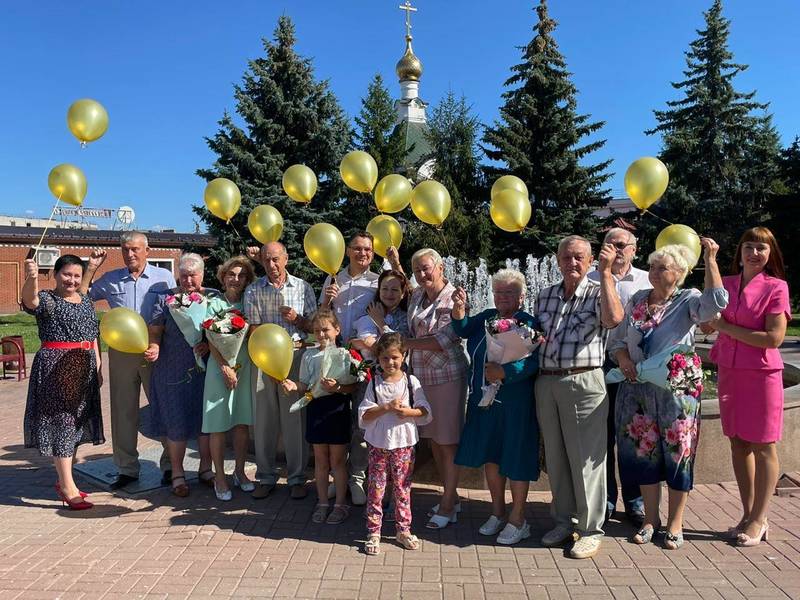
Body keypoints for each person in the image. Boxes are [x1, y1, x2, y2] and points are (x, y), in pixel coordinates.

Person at [609, 240, 726, 550]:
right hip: (637, 391)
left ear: (680, 273)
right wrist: (623, 360)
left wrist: (712, 259)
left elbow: (715, 304)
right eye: (653, 266)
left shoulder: (689, 299)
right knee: (643, 452)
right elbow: (617, 341)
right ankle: (651, 519)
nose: (654, 272)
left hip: (677, 393)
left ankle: (675, 521)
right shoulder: (637, 298)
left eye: (662, 267)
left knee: (679, 454)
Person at [534, 235, 623, 559]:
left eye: (579, 258)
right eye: (567, 257)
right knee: (556, 459)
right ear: (558, 260)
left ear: (589, 263)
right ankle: (564, 520)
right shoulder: (543, 297)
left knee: (586, 460)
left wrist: (607, 273)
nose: (572, 263)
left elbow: (614, 319)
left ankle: (590, 530)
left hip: (583, 381)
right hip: (547, 383)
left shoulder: (601, 291)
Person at [708, 227, 790, 546]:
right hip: (730, 371)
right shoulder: (726, 284)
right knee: (738, 443)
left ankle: (760, 517)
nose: (754, 253)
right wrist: (710, 259)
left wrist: (725, 327)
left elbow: (773, 338)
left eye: (761, 248)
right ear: (740, 252)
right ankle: (747, 514)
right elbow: (708, 312)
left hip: (762, 374)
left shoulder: (776, 287)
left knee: (764, 445)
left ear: (770, 254)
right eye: (749, 247)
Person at [451, 269, 541, 545]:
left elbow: (535, 360)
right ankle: (497, 511)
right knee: (491, 455)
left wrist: (506, 371)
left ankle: (518, 518)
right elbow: (463, 329)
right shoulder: (487, 317)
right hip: (485, 399)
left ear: (522, 296)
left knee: (515, 456)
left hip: (516, 401)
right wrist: (458, 309)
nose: (502, 297)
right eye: (499, 291)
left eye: (509, 292)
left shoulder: (528, 323)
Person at [80, 232, 175, 490]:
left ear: (147, 249)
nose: (130, 254)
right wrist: (90, 268)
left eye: (135, 249)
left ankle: (170, 465)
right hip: (122, 352)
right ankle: (127, 468)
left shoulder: (164, 277)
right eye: (125, 250)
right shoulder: (111, 279)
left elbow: (175, 311)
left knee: (163, 406)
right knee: (124, 410)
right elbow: (82, 296)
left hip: (155, 350)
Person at [22, 255, 104, 510]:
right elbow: (30, 300)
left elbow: (93, 336)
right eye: (66, 274)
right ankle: (67, 487)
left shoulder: (85, 300)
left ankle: (67, 481)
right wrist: (32, 277)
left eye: (76, 276)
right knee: (64, 424)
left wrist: (98, 367)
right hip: (56, 368)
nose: (71, 280)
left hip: (85, 367)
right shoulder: (48, 299)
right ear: (56, 274)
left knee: (76, 423)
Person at [243, 242, 317, 500]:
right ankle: (265, 476)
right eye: (266, 260)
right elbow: (253, 329)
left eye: (276, 259)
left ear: (286, 258)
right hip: (263, 360)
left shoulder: (302, 287)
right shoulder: (253, 290)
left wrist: (297, 319)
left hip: (295, 355)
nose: (272, 265)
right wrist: (268, 357)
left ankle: (297, 477)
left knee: (295, 419)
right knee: (264, 420)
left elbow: (313, 326)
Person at [589, 228, 651, 526]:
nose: (615, 249)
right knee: (602, 438)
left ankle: (635, 501)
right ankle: (607, 499)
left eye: (621, 245)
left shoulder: (645, 280)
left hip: (633, 367)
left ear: (634, 250)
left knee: (633, 436)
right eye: (608, 244)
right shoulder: (589, 278)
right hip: (595, 364)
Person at [405, 248, 469, 530]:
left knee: (447, 442)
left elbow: (443, 340)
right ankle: (451, 498)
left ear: (441, 267)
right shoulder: (418, 295)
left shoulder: (453, 298)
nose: (422, 274)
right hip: (421, 376)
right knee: (434, 440)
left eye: (426, 268)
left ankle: (448, 503)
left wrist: (402, 343)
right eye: (417, 269)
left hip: (446, 377)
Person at [143, 253, 215, 497]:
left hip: (205, 370)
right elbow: (155, 331)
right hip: (171, 369)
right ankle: (177, 474)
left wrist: (209, 343)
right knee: (176, 422)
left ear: (202, 275)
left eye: (193, 275)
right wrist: (154, 346)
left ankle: (206, 470)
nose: (188, 280)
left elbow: (221, 329)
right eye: (183, 275)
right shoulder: (165, 299)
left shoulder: (213, 297)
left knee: (205, 422)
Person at [320, 231, 381, 505]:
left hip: (363, 360)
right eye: (357, 248)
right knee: (335, 420)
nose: (362, 253)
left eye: (367, 249)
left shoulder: (377, 283)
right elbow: (320, 319)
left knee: (360, 421)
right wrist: (326, 301)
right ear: (347, 251)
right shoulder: (333, 279)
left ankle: (356, 477)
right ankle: (337, 476)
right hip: (334, 357)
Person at [282, 309, 357, 524]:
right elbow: (305, 385)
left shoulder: (345, 354)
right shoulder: (308, 355)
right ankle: (323, 501)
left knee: (338, 460)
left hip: (338, 408)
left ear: (337, 330)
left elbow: (353, 386)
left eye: (326, 329)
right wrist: (292, 385)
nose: (322, 334)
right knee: (321, 460)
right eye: (317, 330)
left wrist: (339, 387)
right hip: (316, 409)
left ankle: (341, 503)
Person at [359, 333, 432, 555]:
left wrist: (407, 412)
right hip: (378, 443)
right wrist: (386, 408)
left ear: (403, 356)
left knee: (402, 488)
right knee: (376, 487)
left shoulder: (411, 382)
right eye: (385, 359)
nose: (390, 363)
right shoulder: (375, 383)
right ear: (378, 359)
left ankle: (403, 529)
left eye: (395, 357)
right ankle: (373, 531)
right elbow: (364, 415)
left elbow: (425, 411)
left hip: (404, 443)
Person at [202, 256, 257, 501]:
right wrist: (225, 367)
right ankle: (220, 477)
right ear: (223, 277)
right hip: (218, 368)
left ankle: (239, 472)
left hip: (244, 365)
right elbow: (210, 339)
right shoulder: (213, 303)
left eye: (241, 275)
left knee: (242, 422)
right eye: (231, 274)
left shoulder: (249, 301)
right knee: (217, 424)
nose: (236, 279)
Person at [349, 269, 411, 361]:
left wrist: (380, 321)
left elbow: (397, 345)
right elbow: (349, 343)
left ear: (402, 294)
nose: (389, 294)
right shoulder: (370, 311)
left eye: (394, 290)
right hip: (366, 371)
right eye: (385, 289)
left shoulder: (406, 318)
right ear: (379, 291)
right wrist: (363, 343)